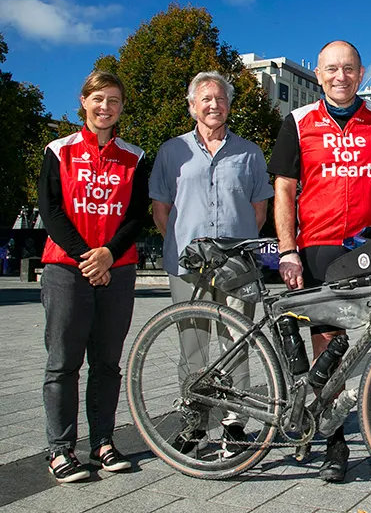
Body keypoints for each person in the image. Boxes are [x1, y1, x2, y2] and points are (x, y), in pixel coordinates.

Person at [268, 40, 371, 482]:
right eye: (332, 69)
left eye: (349, 69)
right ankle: (334, 444)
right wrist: (287, 249)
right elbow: (284, 190)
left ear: (359, 74)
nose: (341, 76)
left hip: (370, 246)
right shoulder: (297, 122)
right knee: (329, 349)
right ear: (318, 75)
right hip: (318, 246)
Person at [150, 71, 273, 456]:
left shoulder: (249, 152)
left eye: (220, 98)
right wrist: (184, 246)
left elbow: (259, 209)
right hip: (188, 264)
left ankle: (234, 425)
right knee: (194, 343)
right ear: (192, 106)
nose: (213, 104)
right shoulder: (172, 152)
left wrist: (233, 250)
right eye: (205, 98)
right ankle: (195, 422)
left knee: (236, 341)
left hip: (236, 263)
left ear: (229, 105)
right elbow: (161, 209)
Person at [38, 71, 148, 482]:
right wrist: (88, 257)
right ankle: (60, 449)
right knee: (63, 362)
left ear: (121, 107)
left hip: (117, 270)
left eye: (114, 100)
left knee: (107, 363)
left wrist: (108, 255)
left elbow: (136, 216)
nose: (106, 107)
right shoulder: (58, 150)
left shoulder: (134, 157)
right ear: (84, 101)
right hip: (67, 268)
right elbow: (50, 211)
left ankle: (103, 442)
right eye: (99, 99)